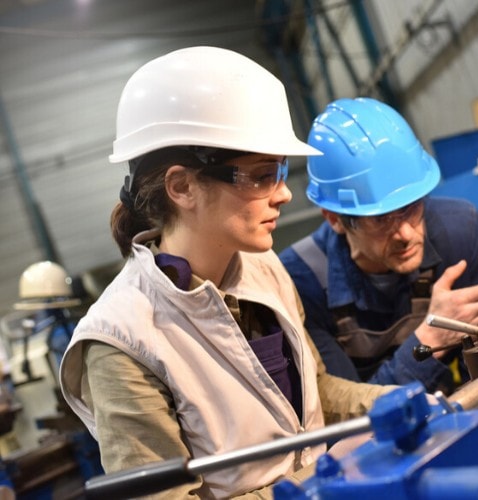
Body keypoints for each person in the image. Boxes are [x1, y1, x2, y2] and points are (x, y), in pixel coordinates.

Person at [58, 46, 392, 498]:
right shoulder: (122, 340)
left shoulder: (264, 268)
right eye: (260, 176)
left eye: (281, 171)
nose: (284, 194)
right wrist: (317, 485)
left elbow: (316, 391)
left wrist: (391, 404)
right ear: (182, 186)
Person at [279, 97, 478, 394]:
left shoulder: (460, 232)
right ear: (335, 219)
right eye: (382, 219)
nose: (407, 234)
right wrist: (430, 339)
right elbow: (347, 418)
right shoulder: (301, 282)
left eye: (411, 207)